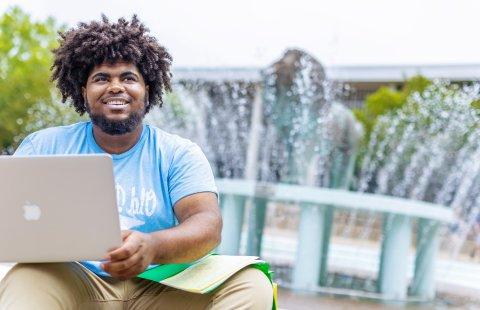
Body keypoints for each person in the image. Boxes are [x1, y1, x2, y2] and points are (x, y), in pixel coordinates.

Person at [0, 15, 272, 309]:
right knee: (23, 277)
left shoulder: (179, 153)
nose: (115, 87)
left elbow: (207, 225)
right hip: (77, 282)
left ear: (148, 90)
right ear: (83, 92)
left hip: (161, 286)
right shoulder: (44, 145)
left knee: (252, 284)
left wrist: (153, 246)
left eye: (128, 78)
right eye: (101, 78)